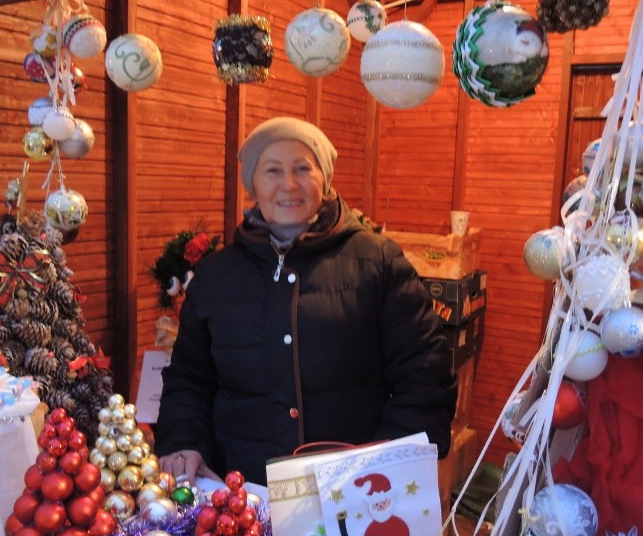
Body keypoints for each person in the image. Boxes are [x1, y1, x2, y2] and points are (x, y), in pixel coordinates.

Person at [154, 116, 457, 487]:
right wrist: (183, 439)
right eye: (272, 171)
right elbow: (189, 378)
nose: (289, 184)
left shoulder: (376, 262)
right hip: (242, 492)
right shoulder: (216, 277)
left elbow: (425, 371)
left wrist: (390, 459)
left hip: (355, 493)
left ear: (324, 180)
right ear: (253, 184)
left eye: (302, 168)